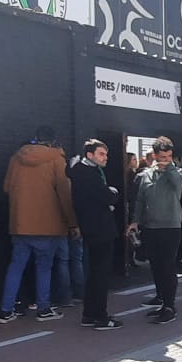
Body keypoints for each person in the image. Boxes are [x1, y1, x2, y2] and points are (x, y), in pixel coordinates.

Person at [0, 126, 77, 324]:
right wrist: (72, 223)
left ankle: (6, 310)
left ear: (35, 138)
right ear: (53, 141)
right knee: (44, 267)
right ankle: (43, 309)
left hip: (20, 224)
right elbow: (64, 194)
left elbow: (7, 187)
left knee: (16, 266)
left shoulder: (16, 159)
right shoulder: (56, 160)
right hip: (48, 226)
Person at [129, 136, 182, 324]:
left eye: (169, 156)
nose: (165, 160)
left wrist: (168, 167)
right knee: (155, 265)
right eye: (162, 156)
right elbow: (140, 200)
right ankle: (161, 297)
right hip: (151, 227)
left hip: (170, 227)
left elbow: (179, 184)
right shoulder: (146, 175)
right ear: (154, 156)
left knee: (168, 266)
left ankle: (170, 306)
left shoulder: (177, 172)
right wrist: (135, 221)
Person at [68, 140, 122, 330]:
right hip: (100, 228)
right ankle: (100, 316)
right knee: (101, 274)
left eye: (106, 154)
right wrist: (113, 192)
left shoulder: (77, 172)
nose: (105, 157)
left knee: (94, 273)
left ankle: (89, 315)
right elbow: (107, 196)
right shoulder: (89, 174)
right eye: (101, 154)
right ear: (89, 155)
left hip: (91, 228)